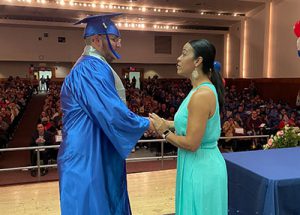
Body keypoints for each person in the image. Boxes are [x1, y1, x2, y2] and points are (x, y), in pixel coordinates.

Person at [58, 13, 153, 215]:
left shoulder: (92, 66)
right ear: (96, 39)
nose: (119, 44)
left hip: (94, 151)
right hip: (87, 155)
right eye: (115, 38)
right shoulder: (89, 68)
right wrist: (147, 124)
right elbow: (111, 113)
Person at [150, 39, 227, 214]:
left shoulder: (202, 94)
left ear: (198, 61)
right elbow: (187, 123)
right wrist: (161, 122)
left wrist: (164, 131)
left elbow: (192, 143)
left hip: (202, 167)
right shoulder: (196, 90)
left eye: (184, 53)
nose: (178, 58)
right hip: (195, 163)